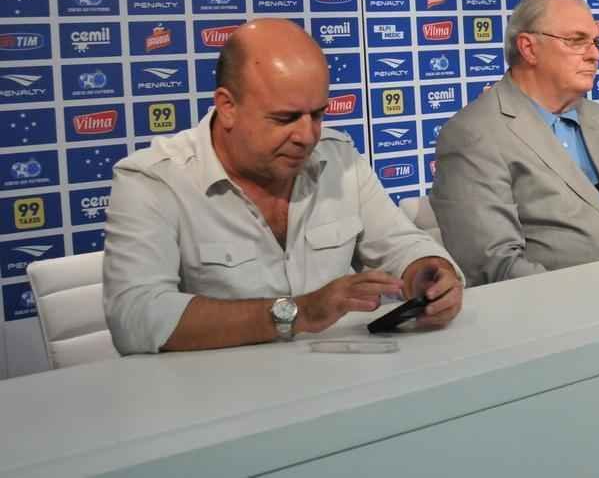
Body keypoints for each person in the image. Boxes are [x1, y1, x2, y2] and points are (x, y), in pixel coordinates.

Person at [103, 19, 462, 355]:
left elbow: (401, 243)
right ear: (227, 106)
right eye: (285, 118)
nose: (307, 136)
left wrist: (427, 272)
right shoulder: (153, 180)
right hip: (214, 404)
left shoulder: (339, 158)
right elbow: (135, 316)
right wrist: (297, 313)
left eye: (318, 114)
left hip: (337, 388)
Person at [431, 0, 599, 285]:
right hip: (562, 316)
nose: (595, 54)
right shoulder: (473, 134)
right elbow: (496, 265)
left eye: (597, 42)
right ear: (529, 48)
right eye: (576, 41)